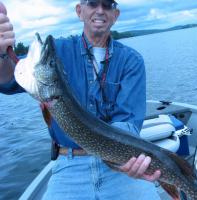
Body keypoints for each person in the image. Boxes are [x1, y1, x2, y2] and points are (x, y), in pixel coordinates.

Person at [0, 0, 161, 199]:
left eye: (107, 5)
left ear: (116, 15)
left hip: (121, 167)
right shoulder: (59, 51)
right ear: (79, 11)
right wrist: (2, 53)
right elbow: (8, 81)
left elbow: (127, 123)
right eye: (92, 3)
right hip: (69, 164)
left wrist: (128, 160)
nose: (100, 10)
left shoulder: (131, 61)